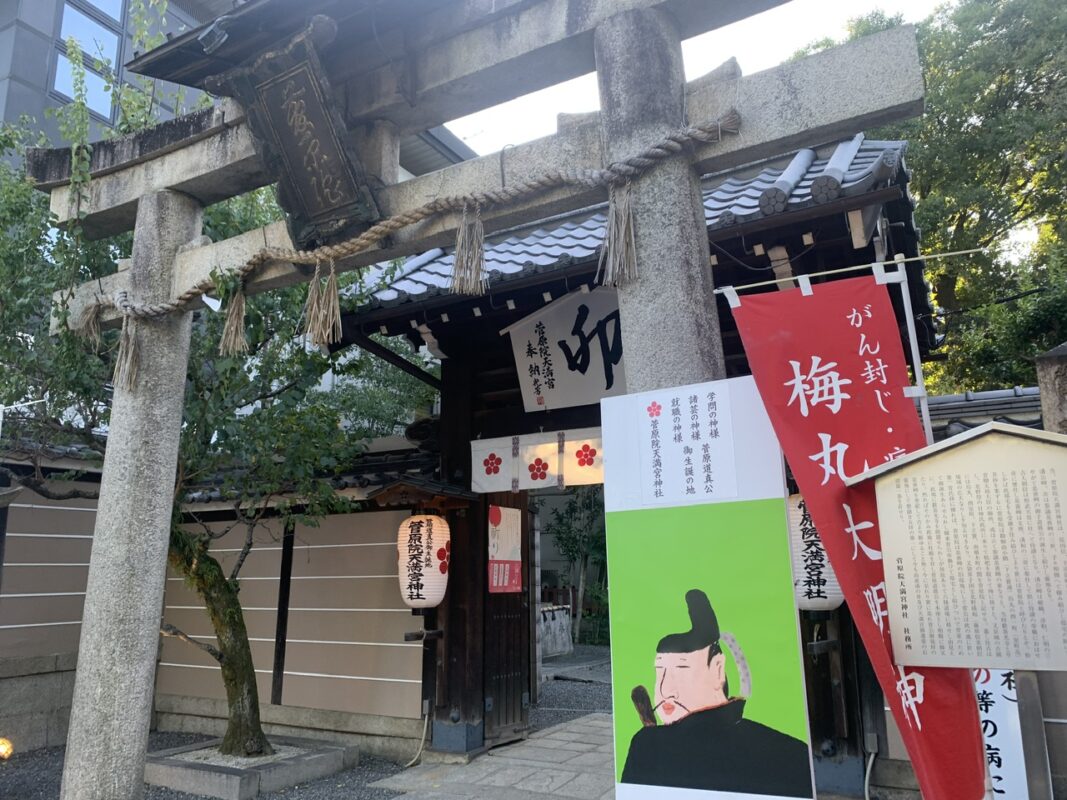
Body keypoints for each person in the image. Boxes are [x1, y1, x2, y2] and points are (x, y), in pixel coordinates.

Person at [621, 589, 814, 798]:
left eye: (681, 670)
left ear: (718, 669)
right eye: (660, 672)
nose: (665, 689)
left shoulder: (649, 745)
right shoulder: (793, 751)